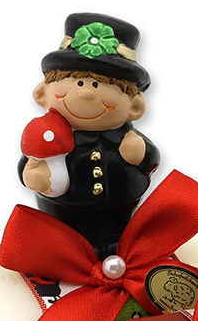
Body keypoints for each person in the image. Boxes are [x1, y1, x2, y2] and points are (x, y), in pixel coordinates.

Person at [18, 13, 159, 258]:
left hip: (119, 210)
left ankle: (118, 247)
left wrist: (141, 153)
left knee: (118, 236)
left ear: (135, 107)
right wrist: (31, 174)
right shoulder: (46, 133)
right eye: (77, 82)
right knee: (62, 236)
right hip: (62, 210)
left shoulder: (126, 139)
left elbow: (150, 161)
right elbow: (30, 160)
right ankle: (64, 252)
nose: (86, 93)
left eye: (99, 85)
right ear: (41, 93)